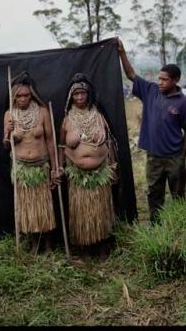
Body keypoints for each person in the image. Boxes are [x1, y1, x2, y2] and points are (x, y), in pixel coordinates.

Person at [117, 39, 186, 223]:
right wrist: (122, 53)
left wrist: (182, 158)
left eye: (164, 79)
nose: (160, 82)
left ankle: (178, 225)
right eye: (159, 78)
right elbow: (131, 74)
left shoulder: (183, 103)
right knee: (154, 193)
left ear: (175, 80)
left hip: (174, 157)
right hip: (154, 157)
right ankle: (155, 225)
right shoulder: (151, 90)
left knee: (177, 194)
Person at [59, 73, 117, 256]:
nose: (79, 97)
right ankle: (85, 245)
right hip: (78, 176)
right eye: (75, 94)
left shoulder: (99, 116)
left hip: (101, 174)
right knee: (83, 213)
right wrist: (60, 168)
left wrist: (114, 166)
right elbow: (61, 146)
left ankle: (102, 243)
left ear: (89, 94)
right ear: (70, 97)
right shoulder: (67, 119)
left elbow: (110, 142)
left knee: (100, 211)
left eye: (82, 93)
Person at [3, 71, 60, 254]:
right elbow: (6, 145)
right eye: (19, 96)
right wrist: (7, 133)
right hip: (22, 169)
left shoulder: (42, 112)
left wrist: (55, 168)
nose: (23, 99)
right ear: (14, 97)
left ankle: (49, 243)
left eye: (26, 95)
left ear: (32, 95)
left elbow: (51, 142)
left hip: (40, 167)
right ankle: (35, 243)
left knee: (45, 208)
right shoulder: (9, 115)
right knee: (28, 209)